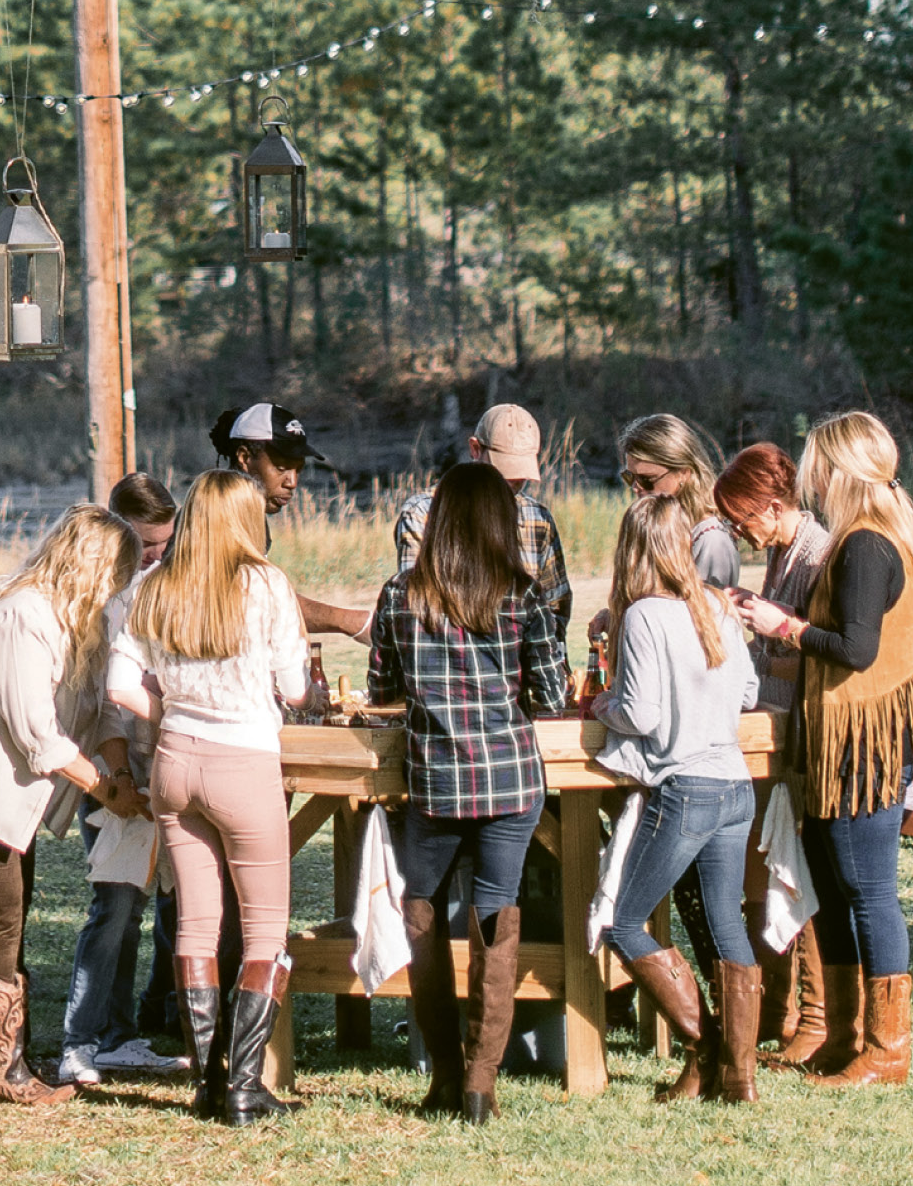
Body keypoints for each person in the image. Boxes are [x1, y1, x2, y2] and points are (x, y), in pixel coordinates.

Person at [0, 502, 140, 1103]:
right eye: (115, 575)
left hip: (6, 785)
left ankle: (13, 1056)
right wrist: (107, 789)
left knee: (13, 908)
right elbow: (36, 733)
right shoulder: (22, 614)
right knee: (1, 911)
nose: (117, 590)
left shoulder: (82, 624)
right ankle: (5, 1070)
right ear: (90, 565)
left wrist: (118, 764)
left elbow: (102, 711)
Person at [366, 462, 571, 1124]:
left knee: (421, 915)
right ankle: (481, 1085)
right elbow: (553, 693)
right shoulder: (522, 593)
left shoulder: (401, 595)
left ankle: (443, 1078)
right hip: (512, 779)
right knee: (496, 917)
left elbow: (379, 692)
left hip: (435, 783)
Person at [735, 409, 913, 1088]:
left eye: (816, 460)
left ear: (840, 469)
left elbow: (857, 649)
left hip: (864, 745)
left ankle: (887, 1050)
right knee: (839, 891)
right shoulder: (868, 537)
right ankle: (845, 1038)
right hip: (844, 739)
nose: (809, 473)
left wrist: (781, 626)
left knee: (869, 892)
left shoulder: (866, 545)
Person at [108, 469, 310, 1128]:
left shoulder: (154, 584)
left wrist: (166, 709)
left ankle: (205, 1080)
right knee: (264, 933)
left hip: (175, 761)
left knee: (195, 925)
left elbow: (119, 687)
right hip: (244, 758)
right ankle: (245, 1087)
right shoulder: (266, 585)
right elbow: (296, 690)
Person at [595, 494, 762, 1104]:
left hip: (684, 787)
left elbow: (639, 713)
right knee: (725, 929)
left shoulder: (643, 615)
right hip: (734, 785)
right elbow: (747, 691)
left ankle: (706, 1048)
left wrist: (603, 706)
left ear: (634, 549)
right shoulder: (717, 605)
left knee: (626, 924)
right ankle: (737, 1078)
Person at [58, 475, 196, 1088]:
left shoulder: (166, 590)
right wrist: (117, 780)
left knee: (153, 904)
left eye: (165, 546)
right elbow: (108, 709)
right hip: (116, 771)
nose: (154, 559)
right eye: (143, 547)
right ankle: (80, 1040)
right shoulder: (106, 600)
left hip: (164, 768)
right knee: (114, 905)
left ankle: (119, 1033)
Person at [710, 441, 835, 1065]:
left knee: (798, 866)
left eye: (743, 519)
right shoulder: (784, 551)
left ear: (775, 504)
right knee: (765, 864)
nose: (740, 532)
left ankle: (816, 1014)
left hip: (804, 729)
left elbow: (823, 646)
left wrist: (769, 627)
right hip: (770, 728)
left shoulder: (819, 552)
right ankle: (775, 1004)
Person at [392, 402, 574, 628]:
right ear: (475, 449)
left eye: (521, 472)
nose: (514, 481)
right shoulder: (423, 513)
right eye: (505, 469)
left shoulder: (537, 518)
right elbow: (415, 605)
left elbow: (556, 605)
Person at [210, 399, 372, 638]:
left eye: (298, 469)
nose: (292, 482)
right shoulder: (215, 515)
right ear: (244, 458)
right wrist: (351, 622)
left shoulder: (250, 514)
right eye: (281, 467)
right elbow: (255, 602)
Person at [619, 411, 739, 586]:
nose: (636, 487)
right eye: (629, 477)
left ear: (683, 472)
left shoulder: (711, 541)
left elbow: (707, 611)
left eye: (647, 480)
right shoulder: (659, 528)